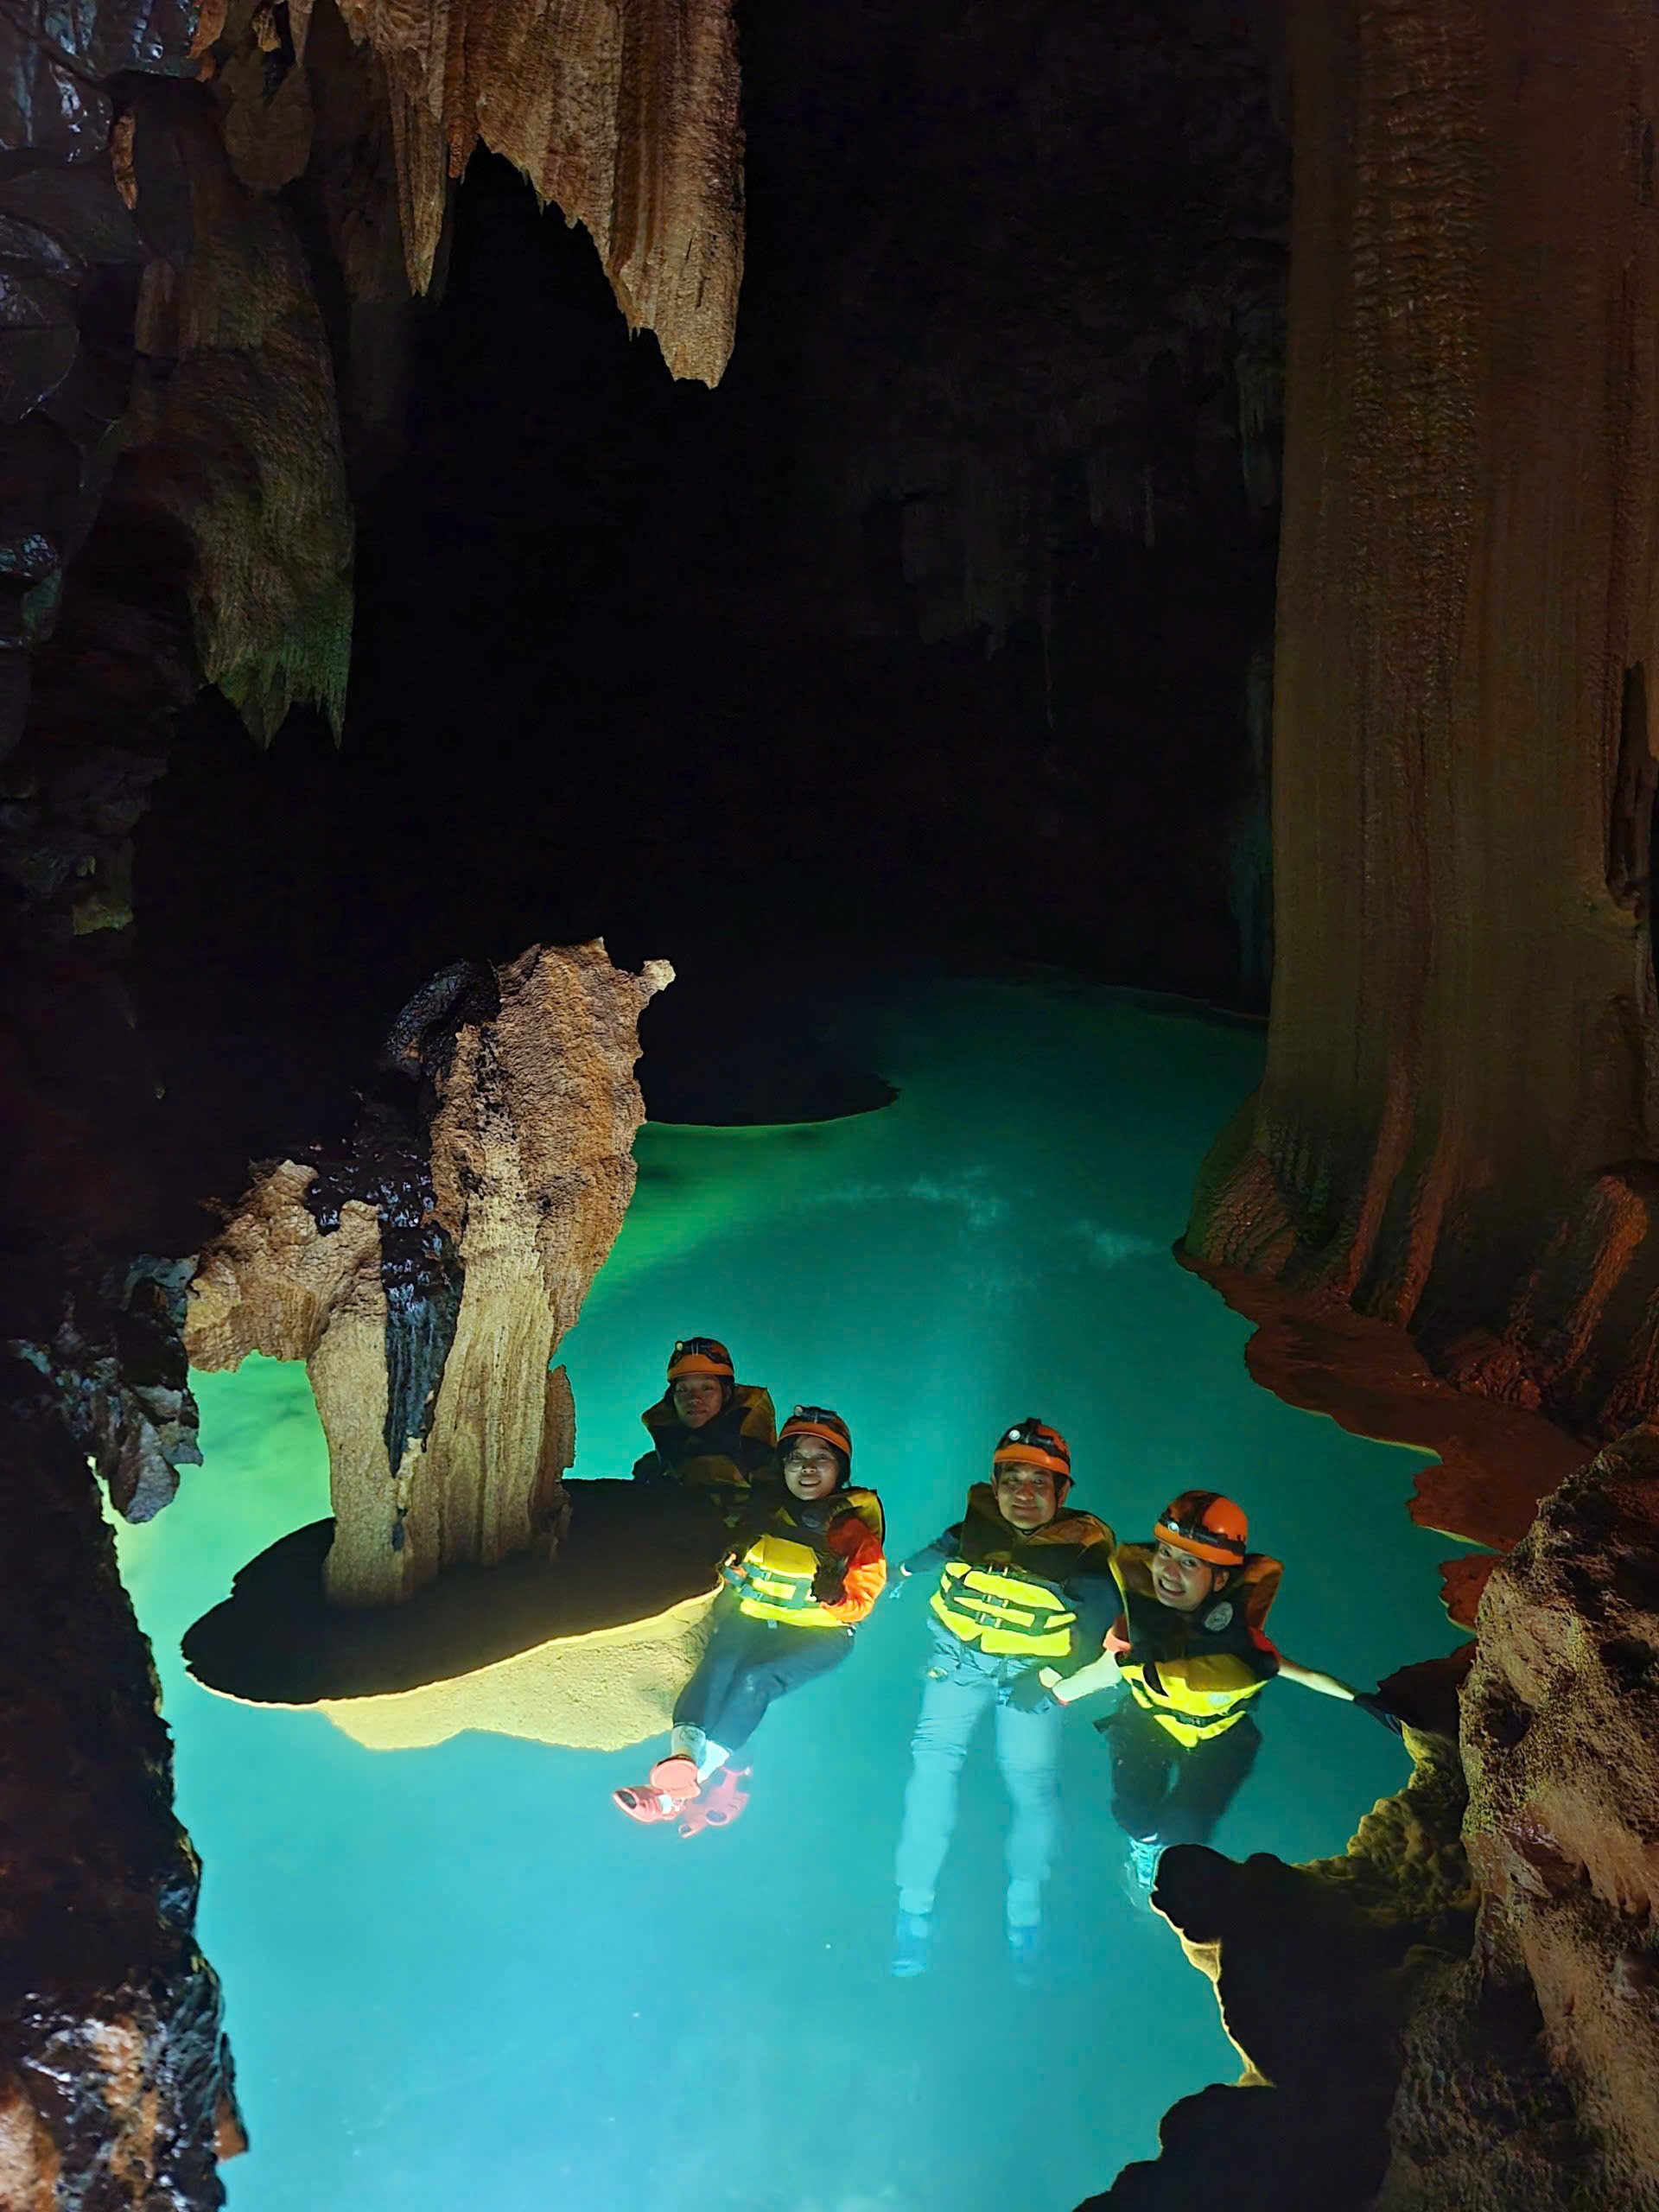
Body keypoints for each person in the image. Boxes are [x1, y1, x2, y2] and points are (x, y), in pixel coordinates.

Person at [1046, 1488, 1402, 1897]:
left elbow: (1303, 1674)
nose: (1168, 1571)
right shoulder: (1133, 1630)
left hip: (1221, 1737)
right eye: (1164, 1554)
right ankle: (1142, 1852)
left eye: (1189, 1562)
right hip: (1148, 1723)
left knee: (1185, 1833)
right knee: (1135, 1817)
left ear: (1220, 1579)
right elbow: (1102, 1672)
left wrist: (1361, 1700)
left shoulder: (1242, 1645)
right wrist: (1057, 1692)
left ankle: (1165, 1861)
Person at [889, 1419, 1117, 1981]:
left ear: (1063, 1493)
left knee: (1030, 1786)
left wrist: (1049, 1678)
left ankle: (1025, 1914)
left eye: (1039, 1484)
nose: (1022, 1494)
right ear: (994, 1484)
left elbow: (1097, 1630)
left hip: (1027, 1675)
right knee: (931, 1774)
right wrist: (899, 1572)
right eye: (1012, 1480)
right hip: (958, 1660)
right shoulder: (974, 1528)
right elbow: (937, 1550)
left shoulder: (1084, 1557)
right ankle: (913, 1910)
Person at [613, 1407, 885, 1834]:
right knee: (721, 1660)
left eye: (822, 1459)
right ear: (783, 1466)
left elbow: (863, 1600)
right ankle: (682, 1758)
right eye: (797, 1459)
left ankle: (680, 1790)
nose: (807, 1469)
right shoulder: (761, 1509)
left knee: (755, 1679)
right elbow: (720, 1540)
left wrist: (836, 1598)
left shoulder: (851, 1532)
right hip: (758, 1609)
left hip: (820, 1631)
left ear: (841, 1472)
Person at [630, 1337, 779, 1525]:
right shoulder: (655, 1466)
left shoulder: (761, 1459)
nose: (694, 1399)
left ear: (726, 1394)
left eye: (707, 1388)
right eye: (683, 1390)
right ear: (671, 1399)